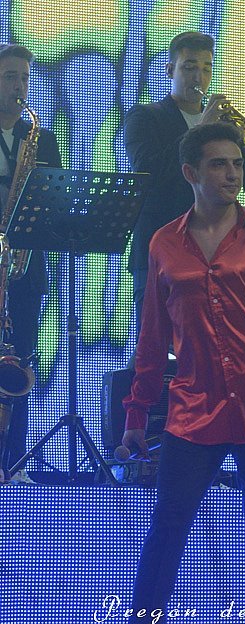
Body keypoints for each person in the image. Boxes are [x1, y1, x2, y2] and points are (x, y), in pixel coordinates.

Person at [108, 123, 245, 624]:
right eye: (220, 164)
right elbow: (152, 335)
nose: (233, 174)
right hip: (194, 408)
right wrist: (135, 414)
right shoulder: (164, 243)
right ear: (191, 173)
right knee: (166, 530)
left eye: (237, 164)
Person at [124, 30, 245, 337]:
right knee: (155, 348)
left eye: (206, 68)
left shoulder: (221, 126)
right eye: (189, 67)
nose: (199, 77)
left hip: (215, 255)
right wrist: (200, 129)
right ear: (170, 70)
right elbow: (147, 173)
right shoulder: (145, 116)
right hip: (161, 251)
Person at [0, 44, 61, 482]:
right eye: (10, 77)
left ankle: (15, 462)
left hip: (23, 268)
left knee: (21, 362)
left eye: (24, 77)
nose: (19, 86)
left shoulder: (41, 138)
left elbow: (52, 199)